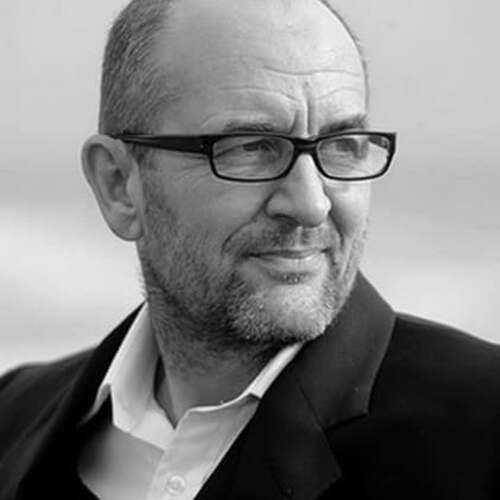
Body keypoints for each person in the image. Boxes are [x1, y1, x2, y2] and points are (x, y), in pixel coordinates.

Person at [1, 0, 500, 498]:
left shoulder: (484, 434)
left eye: (342, 144)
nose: (311, 205)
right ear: (118, 184)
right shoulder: (12, 420)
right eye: (251, 147)